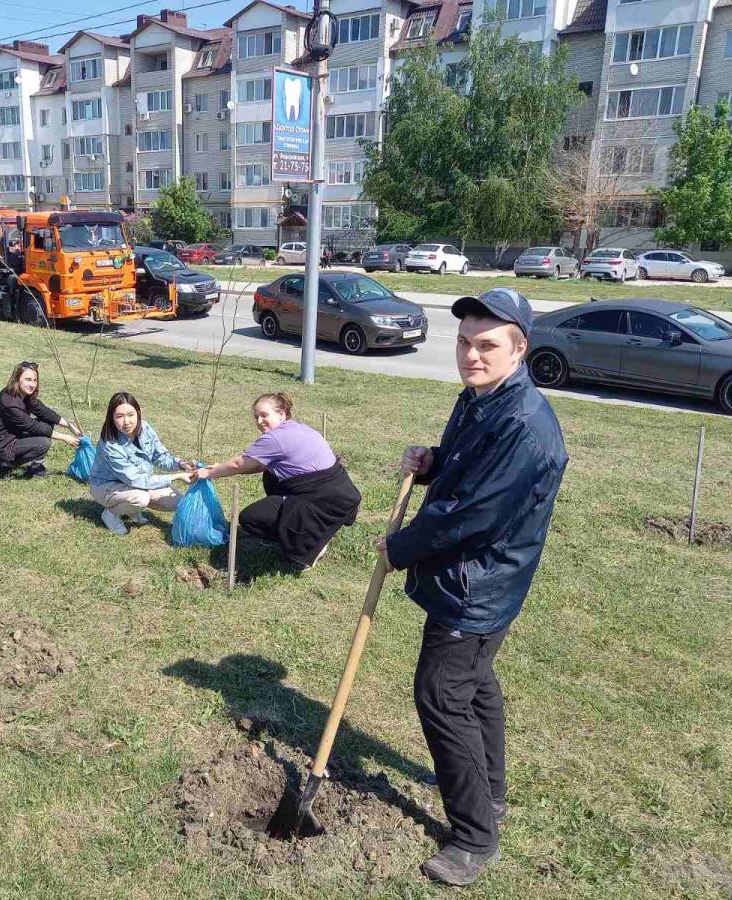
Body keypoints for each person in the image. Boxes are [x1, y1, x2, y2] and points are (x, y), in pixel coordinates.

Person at [378, 288, 568, 886]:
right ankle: (493, 794)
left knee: (440, 693)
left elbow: (471, 515)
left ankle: (474, 837)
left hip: (479, 582)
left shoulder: (523, 426)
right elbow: (465, 468)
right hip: (484, 577)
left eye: (487, 346)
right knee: (476, 683)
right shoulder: (482, 400)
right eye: (464, 343)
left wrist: (401, 547)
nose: (471, 356)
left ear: (519, 350)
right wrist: (433, 460)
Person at [196, 392, 360, 570]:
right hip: (344, 494)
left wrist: (208, 473)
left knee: (250, 518)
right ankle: (311, 527)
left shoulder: (275, 438)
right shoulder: (298, 427)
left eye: (264, 415)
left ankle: (310, 543)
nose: (259, 421)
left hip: (321, 499)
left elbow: (238, 465)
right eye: (256, 417)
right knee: (271, 475)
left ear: (282, 413)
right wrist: (218, 466)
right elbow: (255, 464)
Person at [89, 391, 194, 535]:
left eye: (130, 415)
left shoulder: (145, 428)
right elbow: (134, 479)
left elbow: (160, 456)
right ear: (111, 418)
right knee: (140, 498)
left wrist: (181, 464)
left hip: (136, 483)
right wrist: (176, 476)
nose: (126, 422)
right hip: (106, 486)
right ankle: (111, 514)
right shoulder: (110, 445)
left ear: (138, 413)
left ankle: (132, 510)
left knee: (178, 501)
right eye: (119, 416)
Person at [0, 361, 81, 478]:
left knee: (47, 424)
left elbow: (42, 411)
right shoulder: (9, 402)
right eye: (28, 379)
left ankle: (36, 468)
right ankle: (1, 465)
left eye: (35, 380)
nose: (32, 384)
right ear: (17, 379)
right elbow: (31, 426)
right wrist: (64, 438)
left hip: (10, 435)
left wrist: (68, 425)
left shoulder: (24, 394)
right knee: (43, 443)